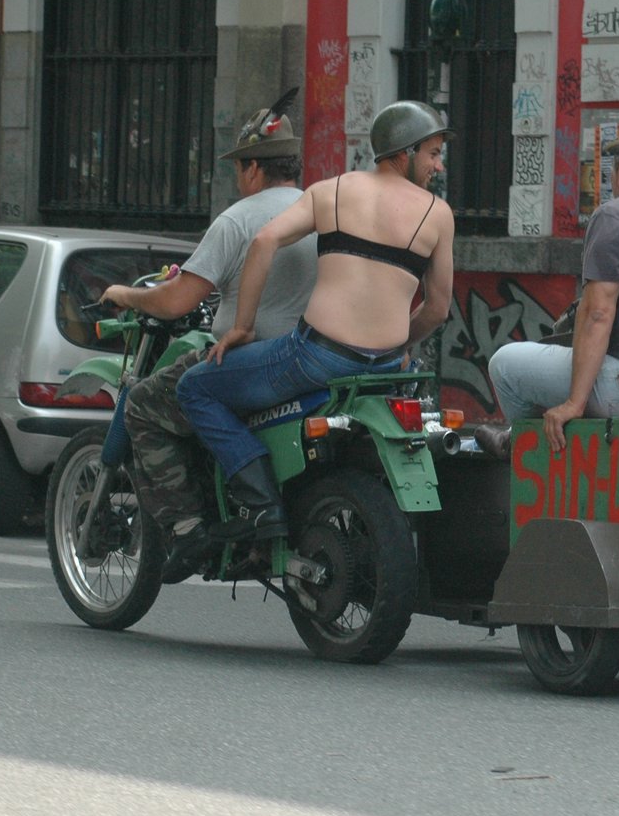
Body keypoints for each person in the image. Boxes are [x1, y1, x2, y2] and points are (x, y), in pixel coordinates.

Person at [175, 99, 456, 540]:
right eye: (433, 154)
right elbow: (437, 308)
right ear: (404, 152)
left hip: (315, 360)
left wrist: (243, 327)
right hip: (383, 372)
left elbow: (264, 241)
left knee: (193, 387)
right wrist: (398, 347)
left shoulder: (333, 191)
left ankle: (262, 503)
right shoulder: (438, 215)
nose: (437, 166)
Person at [97, 90, 318, 582]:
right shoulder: (318, 211)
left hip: (251, 366)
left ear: (254, 170)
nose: (239, 179)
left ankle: (187, 528)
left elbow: (176, 301)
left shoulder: (239, 219)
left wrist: (127, 295)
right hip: (308, 362)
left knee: (145, 405)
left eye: (240, 168)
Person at [480, 107, 619, 454]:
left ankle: (525, 453)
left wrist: (575, 401)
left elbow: (598, 314)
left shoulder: (615, 215)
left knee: (506, 365)